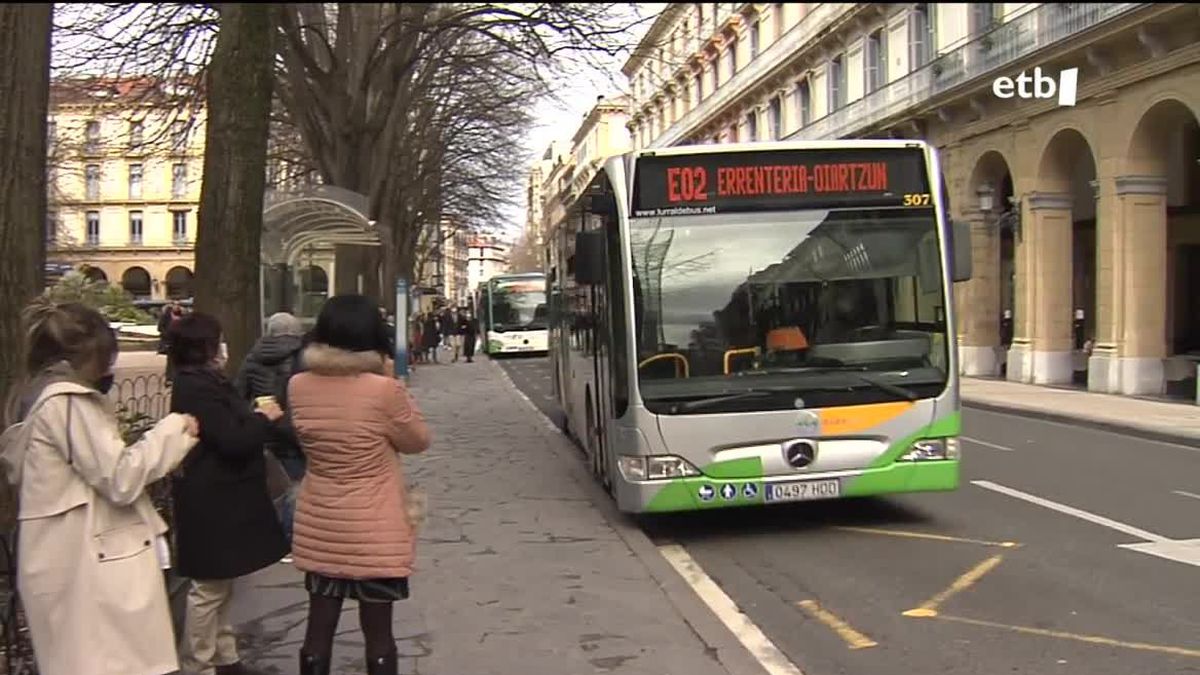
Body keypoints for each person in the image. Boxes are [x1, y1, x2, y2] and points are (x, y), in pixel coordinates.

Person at [1, 299, 200, 675]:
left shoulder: (31, 400)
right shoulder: (68, 404)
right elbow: (120, 478)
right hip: (92, 566)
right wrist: (172, 432)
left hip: (61, 559)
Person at [288, 294, 431, 675]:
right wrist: (393, 383)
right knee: (378, 633)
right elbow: (417, 441)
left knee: (318, 628)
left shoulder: (298, 386)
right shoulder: (383, 390)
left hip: (321, 521)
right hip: (375, 525)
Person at [169, 313, 288, 675]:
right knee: (208, 588)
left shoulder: (208, 381)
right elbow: (232, 440)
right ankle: (199, 663)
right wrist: (263, 419)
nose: (224, 347)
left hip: (226, 495)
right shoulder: (195, 387)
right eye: (218, 340)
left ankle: (225, 656)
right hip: (211, 498)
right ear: (204, 346)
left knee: (221, 584)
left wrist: (251, 416)